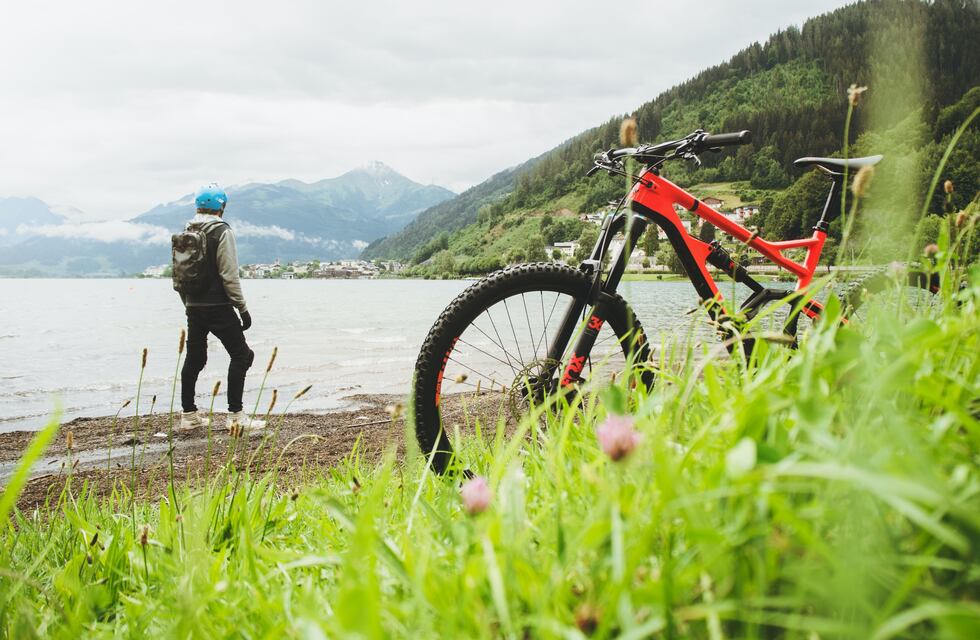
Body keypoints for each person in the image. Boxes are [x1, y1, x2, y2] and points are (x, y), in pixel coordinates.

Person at [178, 184, 265, 432]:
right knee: (242, 355)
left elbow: (180, 275)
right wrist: (242, 308)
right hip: (218, 305)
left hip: (193, 304)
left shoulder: (186, 231)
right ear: (222, 207)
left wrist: (188, 304)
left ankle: (189, 415)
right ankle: (235, 416)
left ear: (198, 206)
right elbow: (229, 275)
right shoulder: (221, 231)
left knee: (195, 358)